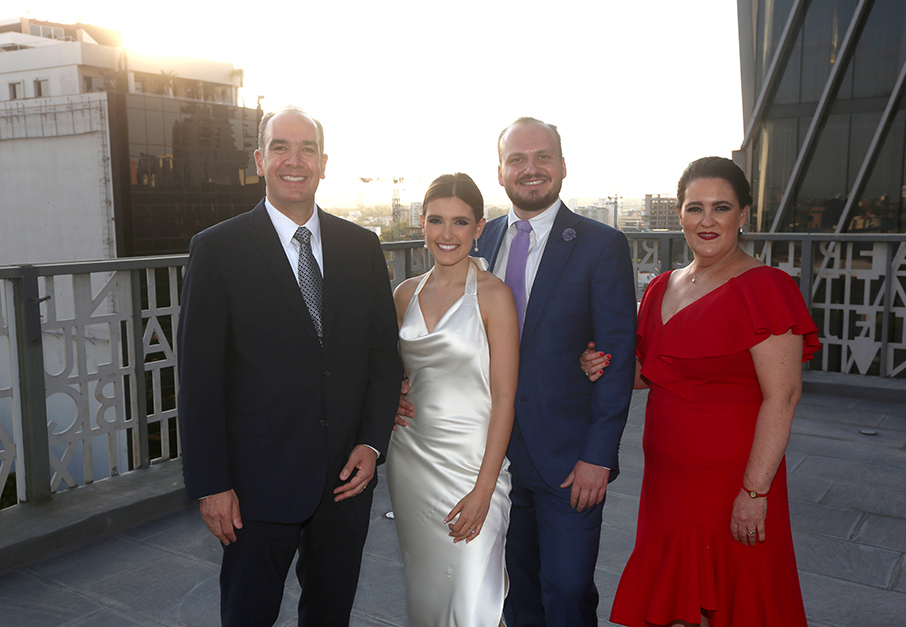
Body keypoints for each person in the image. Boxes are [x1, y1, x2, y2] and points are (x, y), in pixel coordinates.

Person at [396, 117, 637, 625]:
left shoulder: (601, 245)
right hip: (483, 451)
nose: (531, 169)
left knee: (568, 590)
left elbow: (617, 356)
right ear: (501, 172)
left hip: (566, 454)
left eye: (543, 157)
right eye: (517, 159)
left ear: (563, 166)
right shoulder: (480, 237)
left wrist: (599, 455)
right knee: (514, 592)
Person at [177, 106, 402, 627]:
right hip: (255, 487)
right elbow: (199, 381)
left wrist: (372, 445)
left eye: (306, 149)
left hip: (345, 483)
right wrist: (212, 484)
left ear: (324, 163)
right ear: (260, 160)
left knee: (330, 615)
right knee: (247, 614)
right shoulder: (216, 249)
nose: (293, 160)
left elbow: (382, 359)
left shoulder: (361, 247)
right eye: (280, 147)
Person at [583, 156, 820, 626]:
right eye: (695, 208)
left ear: (744, 215)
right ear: (680, 214)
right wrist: (599, 365)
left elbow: (783, 397)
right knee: (675, 605)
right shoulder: (662, 287)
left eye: (721, 208)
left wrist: (754, 493)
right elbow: (650, 373)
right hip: (668, 482)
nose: (706, 221)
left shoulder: (766, 288)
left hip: (732, 479)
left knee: (738, 601)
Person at [387, 173, 519, 626]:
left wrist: (484, 491)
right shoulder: (404, 294)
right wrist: (390, 401)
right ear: (421, 224)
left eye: (460, 222)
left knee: (473, 600)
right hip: (412, 465)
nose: (447, 234)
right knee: (429, 596)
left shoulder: (494, 296)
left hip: (474, 467)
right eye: (436, 221)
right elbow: (390, 374)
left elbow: (505, 397)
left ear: (480, 227)